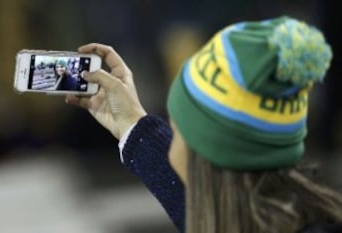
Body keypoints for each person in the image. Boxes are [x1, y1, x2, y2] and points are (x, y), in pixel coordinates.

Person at [66, 16, 342, 233]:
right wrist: (130, 122)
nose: (171, 137)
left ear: (204, 153)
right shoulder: (290, 214)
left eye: (177, 125)